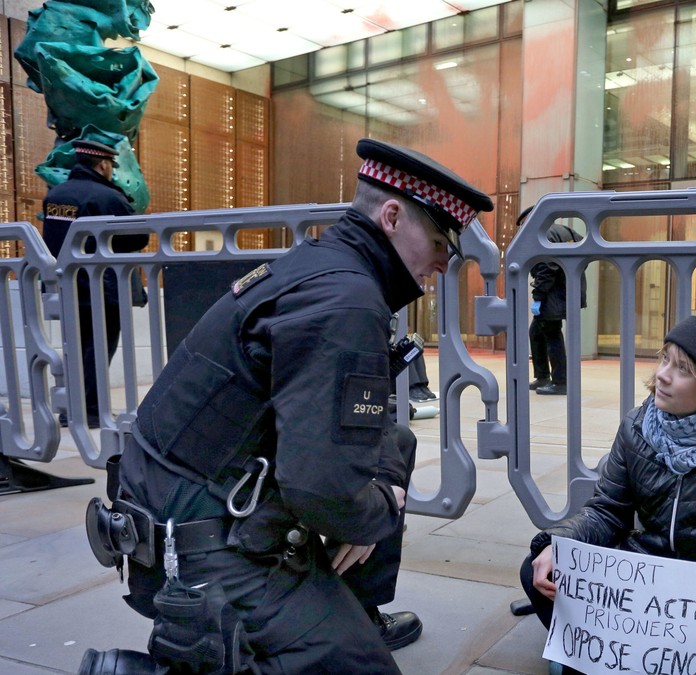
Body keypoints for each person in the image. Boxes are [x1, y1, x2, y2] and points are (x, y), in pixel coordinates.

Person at [80, 139, 493, 674]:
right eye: (439, 240)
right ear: (392, 216)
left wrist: (372, 498)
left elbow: (348, 438)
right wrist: (378, 510)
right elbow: (321, 489)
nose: (444, 260)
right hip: (199, 538)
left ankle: (348, 614)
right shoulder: (346, 301)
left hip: (182, 498)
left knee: (396, 447)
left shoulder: (324, 267)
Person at [519, 314, 696, 675]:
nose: (662, 374)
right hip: (643, 586)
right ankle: (596, 647)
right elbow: (607, 511)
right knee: (541, 568)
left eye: (682, 369)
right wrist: (559, 543)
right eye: (664, 358)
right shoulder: (636, 427)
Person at [41, 139, 148, 428]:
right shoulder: (107, 196)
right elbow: (139, 237)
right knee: (98, 349)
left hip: (66, 284)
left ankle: (70, 410)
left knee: (75, 348)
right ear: (103, 165)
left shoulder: (57, 195)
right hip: (102, 287)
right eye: (111, 166)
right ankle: (90, 411)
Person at [523, 206, 586, 396]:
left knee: (551, 333)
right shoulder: (565, 231)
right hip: (570, 290)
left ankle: (560, 382)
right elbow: (584, 249)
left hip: (553, 294)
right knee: (536, 331)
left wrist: (538, 297)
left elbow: (546, 268)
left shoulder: (543, 234)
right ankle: (543, 376)